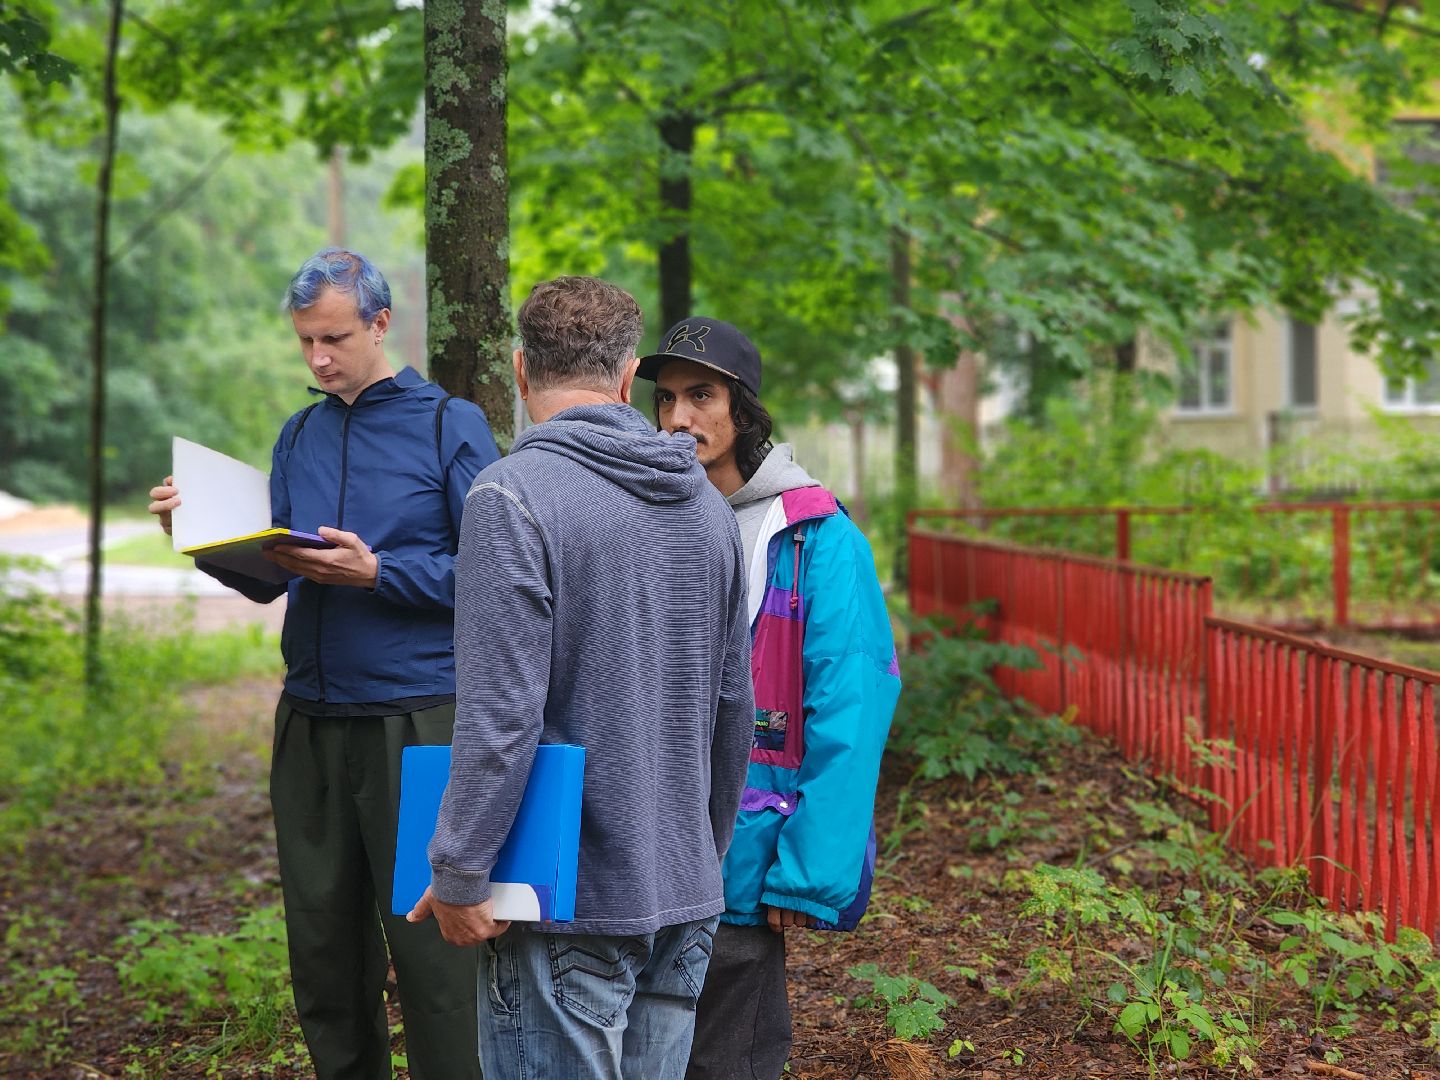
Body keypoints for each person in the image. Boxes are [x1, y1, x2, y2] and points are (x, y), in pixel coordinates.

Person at [147, 247, 500, 1080]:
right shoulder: (298, 434)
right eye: (305, 340)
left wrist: (380, 572)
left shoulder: (452, 425)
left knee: (435, 961)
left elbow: (498, 575)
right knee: (323, 951)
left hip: (418, 724)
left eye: (334, 337)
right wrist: (195, 536)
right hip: (309, 722)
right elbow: (274, 578)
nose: (318, 358)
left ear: (381, 324)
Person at [405, 276, 754, 1080]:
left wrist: (458, 871)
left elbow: (501, 716)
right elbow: (735, 704)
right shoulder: (705, 506)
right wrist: (701, 853)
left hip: (569, 903)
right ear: (629, 378)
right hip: (684, 889)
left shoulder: (512, 495)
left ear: (521, 371)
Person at [639, 317, 901, 1080]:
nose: (680, 418)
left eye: (702, 396)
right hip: (648, 845)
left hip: (746, 851)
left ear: (743, 408)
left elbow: (853, 704)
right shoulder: (652, 518)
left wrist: (809, 868)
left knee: (730, 1054)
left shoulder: (817, 538)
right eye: (666, 400)